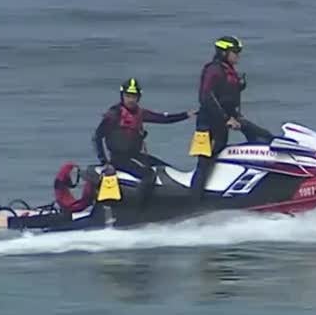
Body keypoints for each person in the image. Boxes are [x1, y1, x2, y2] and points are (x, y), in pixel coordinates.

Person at [189, 36, 274, 201]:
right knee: (205, 164)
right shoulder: (213, 70)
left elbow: (225, 96)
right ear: (224, 53)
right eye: (235, 52)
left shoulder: (228, 70)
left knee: (263, 136)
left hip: (227, 120)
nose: (238, 56)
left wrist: (237, 97)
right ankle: (194, 202)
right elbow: (206, 97)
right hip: (208, 126)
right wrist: (226, 119)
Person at [92, 78, 194, 206]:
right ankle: (139, 207)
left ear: (138, 97)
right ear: (122, 96)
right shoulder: (114, 114)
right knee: (148, 175)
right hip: (119, 158)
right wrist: (105, 162)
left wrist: (185, 115)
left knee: (165, 169)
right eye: (128, 96)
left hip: (136, 156)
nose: (131, 100)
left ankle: (171, 200)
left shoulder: (140, 113)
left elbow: (162, 118)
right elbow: (97, 137)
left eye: (133, 97)